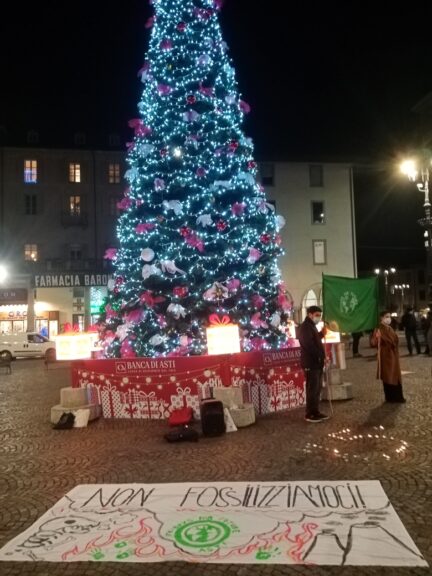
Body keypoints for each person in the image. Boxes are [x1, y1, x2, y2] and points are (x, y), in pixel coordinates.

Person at [298, 305, 329, 422]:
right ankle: (310, 414)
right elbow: (309, 345)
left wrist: (321, 334)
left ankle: (315, 411)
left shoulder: (312, 326)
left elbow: (314, 339)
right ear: (309, 314)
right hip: (310, 363)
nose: (318, 317)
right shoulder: (305, 327)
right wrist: (322, 356)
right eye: (316, 315)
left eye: (319, 315)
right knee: (312, 389)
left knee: (317, 388)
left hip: (316, 363)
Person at [370, 310, 406, 403]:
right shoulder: (379, 329)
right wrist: (377, 338)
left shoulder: (390, 328)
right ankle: (390, 397)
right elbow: (373, 343)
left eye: (389, 316)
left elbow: (395, 340)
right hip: (386, 356)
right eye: (386, 316)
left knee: (396, 376)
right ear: (381, 318)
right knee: (388, 376)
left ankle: (398, 396)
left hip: (393, 355)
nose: (388, 318)